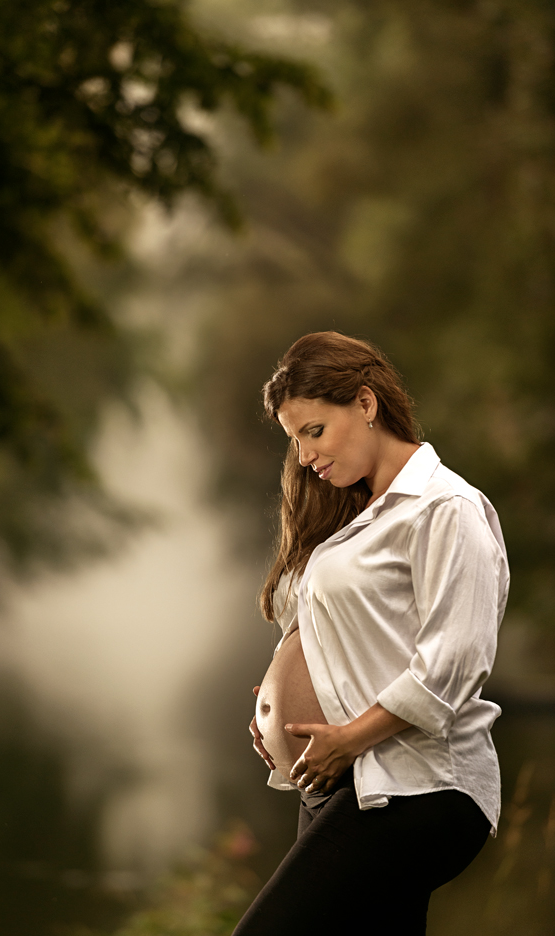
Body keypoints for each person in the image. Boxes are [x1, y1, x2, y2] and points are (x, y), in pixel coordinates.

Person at [233, 332, 509, 936]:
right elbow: (326, 634)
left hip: (418, 786)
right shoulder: (357, 515)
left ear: (365, 403)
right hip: (340, 782)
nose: (305, 456)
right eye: (294, 440)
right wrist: (271, 711)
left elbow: (453, 663)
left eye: (314, 431)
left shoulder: (444, 509)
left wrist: (348, 739)